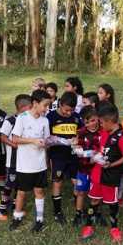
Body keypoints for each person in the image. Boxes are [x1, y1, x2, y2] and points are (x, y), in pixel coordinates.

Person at [81, 104, 123, 242]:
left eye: (101, 122)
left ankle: (114, 228)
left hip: (111, 176)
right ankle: (89, 225)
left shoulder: (122, 137)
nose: (100, 125)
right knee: (94, 200)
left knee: (112, 203)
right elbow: (100, 149)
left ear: (109, 121)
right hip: (97, 173)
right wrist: (93, 155)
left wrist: (110, 165)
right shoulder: (104, 132)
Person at [9, 89, 52, 232]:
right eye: (45, 105)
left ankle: (39, 219)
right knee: (21, 192)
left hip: (39, 164)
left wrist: (46, 144)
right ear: (35, 103)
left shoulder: (45, 120)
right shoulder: (22, 118)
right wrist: (32, 140)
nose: (47, 108)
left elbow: (46, 140)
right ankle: (17, 217)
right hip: (25, 165)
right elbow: (15, 139)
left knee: (39, 191)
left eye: (48, 105)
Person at [46, 92, 83, 225]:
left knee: (76, 181)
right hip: (58, 156)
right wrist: (57, 140)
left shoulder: (76, 117)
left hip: (73, 155)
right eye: (66, 110)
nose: (68, 113)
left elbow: (80, 132)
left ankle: (78, 207)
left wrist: (77, 140)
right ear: (60, 104)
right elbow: (45, 137)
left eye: (71, 110)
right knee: (57, 182)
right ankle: (57, 212)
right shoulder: (51, 117)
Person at [0, 94, 32, 222]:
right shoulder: (10, 121)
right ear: (22, 107)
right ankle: (2, 209)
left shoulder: (28, 120)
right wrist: (14, 145)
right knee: (9, 185)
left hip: (24, 160)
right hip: (12, 161)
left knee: (20, 184)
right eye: (30, 107)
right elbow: (3, 137)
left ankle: (15, 205)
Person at [72, 106, 102, 226]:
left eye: (93, 120)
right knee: (80, 192)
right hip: (83, 168)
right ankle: (78, 214)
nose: (91, 124)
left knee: (96, 193)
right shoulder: (80, 132)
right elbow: (75, 148)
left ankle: (95, 213)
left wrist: (98, 154)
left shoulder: (103, 131)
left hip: (98, 169)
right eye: (87, 122)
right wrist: (76, 149)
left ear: (98, 118)